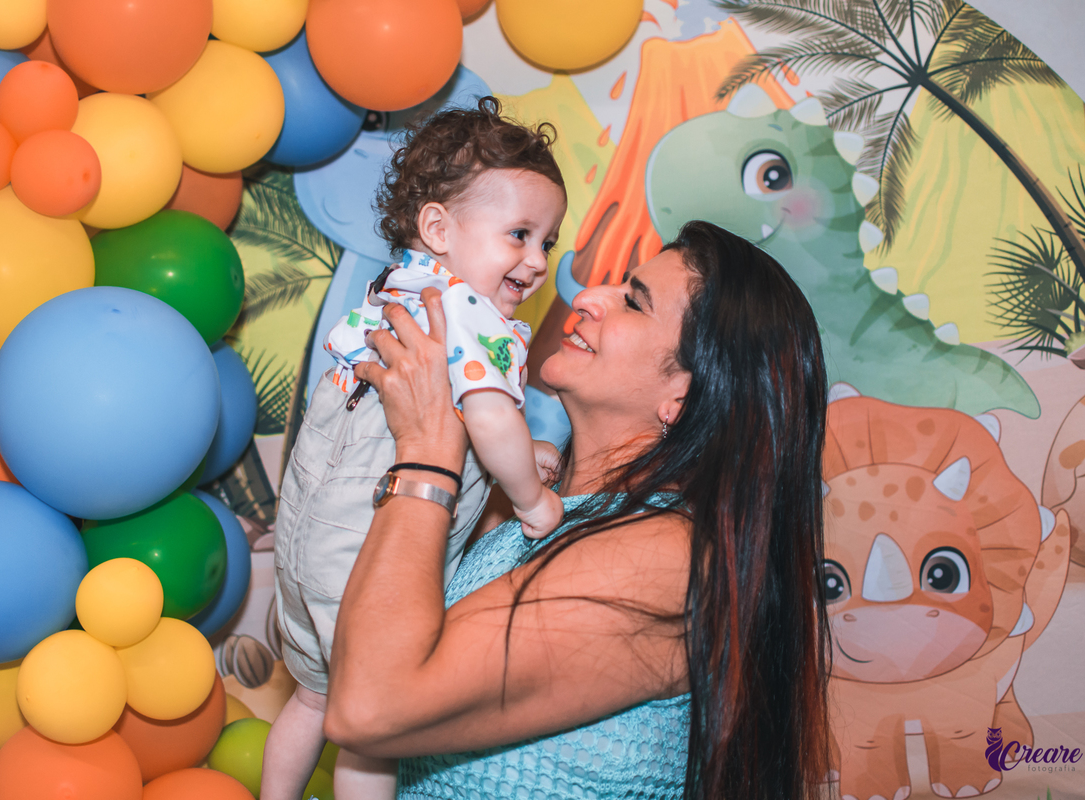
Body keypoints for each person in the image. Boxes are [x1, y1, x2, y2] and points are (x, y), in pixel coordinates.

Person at [325, 220, 833, 800]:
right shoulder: (530, 509)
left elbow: (368, 707)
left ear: (683, 395)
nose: (588, 296)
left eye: (633, 303)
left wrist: (427, 450)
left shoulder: (662, 559)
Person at [262, 98, 568, 800]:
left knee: (311, 699)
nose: (536, 261)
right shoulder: (467, 312)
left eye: (547, 242)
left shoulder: (397, 290)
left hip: (305, 539)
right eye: (519, 234)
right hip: (363, 547)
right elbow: (486, 417)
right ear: (437, 228)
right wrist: (531, 497)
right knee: (374, 724)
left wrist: (519, 453)